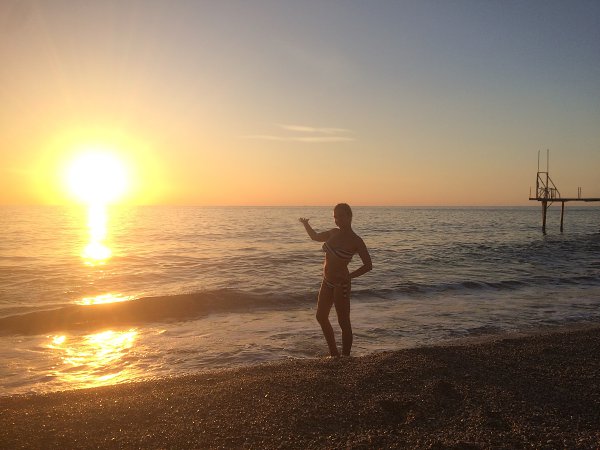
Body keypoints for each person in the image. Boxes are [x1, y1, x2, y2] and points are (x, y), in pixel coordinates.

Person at [299, 203, 372, 357]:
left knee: (343, 321)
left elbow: (368, 265)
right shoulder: (333, 233)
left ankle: (345, 357)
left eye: (341, 216)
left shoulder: (356, 241)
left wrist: (349, 276)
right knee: (321, 316)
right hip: (326, 281)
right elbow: (315, 237)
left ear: (349, 217)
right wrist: (306, 224)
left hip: (341, 284)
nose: (337, 220)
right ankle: (334, 353)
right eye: (335, 217)